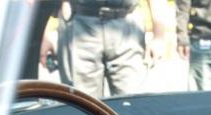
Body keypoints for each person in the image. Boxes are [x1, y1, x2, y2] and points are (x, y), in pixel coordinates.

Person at [40, 0, 168, 97]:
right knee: (83, 109)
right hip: (79, 24)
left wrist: (159, 35)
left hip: (126, 24)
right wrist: (43, 34)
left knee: (133, 107)